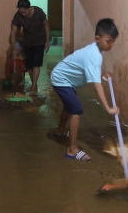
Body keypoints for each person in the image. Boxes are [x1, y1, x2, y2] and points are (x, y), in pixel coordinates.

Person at [50, 18, 120, 162]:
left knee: (70, 107)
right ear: (97, 38)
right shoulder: (94, 55)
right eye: (108, 41)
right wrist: (108, 108)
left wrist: (101, 74)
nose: (111, 45)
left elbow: (88, 70)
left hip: (65, 79)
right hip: (61, 79)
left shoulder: (95, 50)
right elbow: (97, 86)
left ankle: (60, 131)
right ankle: (72, 150)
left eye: (113, 41)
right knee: (76, 110)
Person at [10, 0, 50, 96]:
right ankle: (33, 85)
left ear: (29, 8)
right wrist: (14, 48)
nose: (23, 14)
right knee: (29, 66)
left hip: (39, 41)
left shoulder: (38, 12)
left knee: (36, 64)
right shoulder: (18, 16)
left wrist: (47, 41)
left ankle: (34, 87)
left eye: (24, 12)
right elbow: (13, 33)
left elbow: (46, 25)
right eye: (21, 12)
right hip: (27, 42)